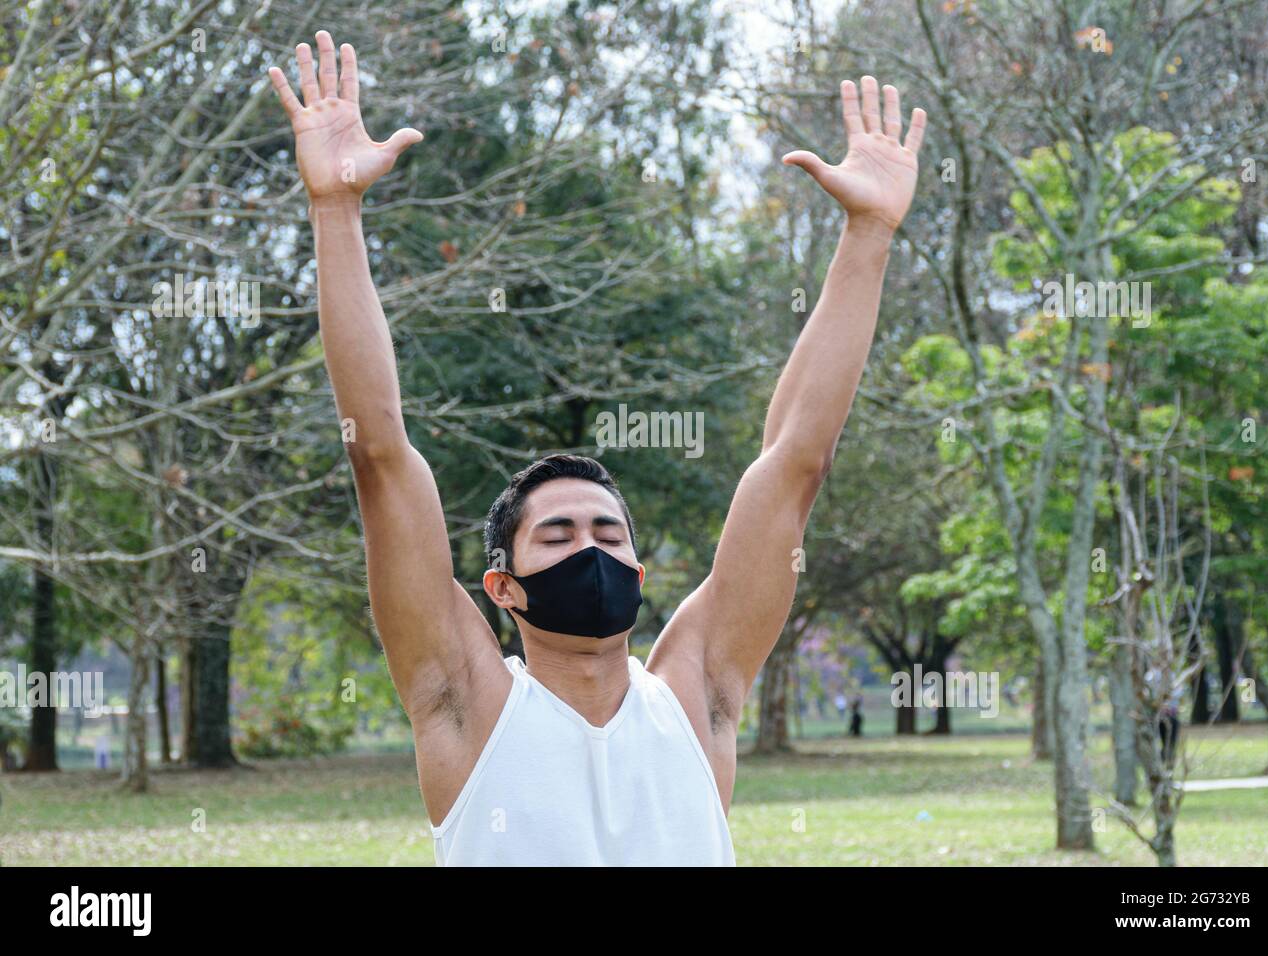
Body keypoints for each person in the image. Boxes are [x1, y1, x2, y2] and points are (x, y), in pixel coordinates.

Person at [267, 32, 926, 866]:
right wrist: (335, 210)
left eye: (610, 535)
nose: (592, 549)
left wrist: (867, 234)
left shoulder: (698, 695)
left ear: (641, 574)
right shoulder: (466, 704)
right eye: (560, 535)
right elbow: (382, 456)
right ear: (501, 587)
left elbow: (795, 462)